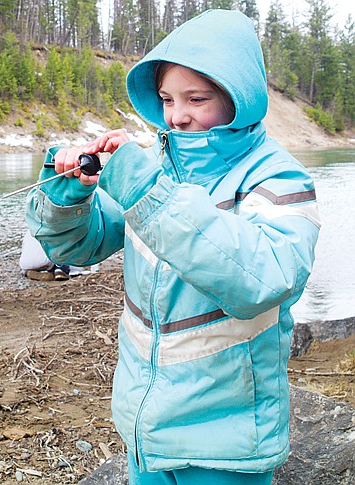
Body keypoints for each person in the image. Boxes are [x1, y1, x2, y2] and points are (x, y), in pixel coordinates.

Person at [26, 9, 320, 484]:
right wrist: (68, 197)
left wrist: (146, 189)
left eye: (196, 99)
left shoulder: (279, 176)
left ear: (239, 97)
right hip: (146, 429)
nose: (177, 115)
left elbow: (266, 278)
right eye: (166, 99)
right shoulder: (157, 169)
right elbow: (77, 248)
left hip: (227, 441)